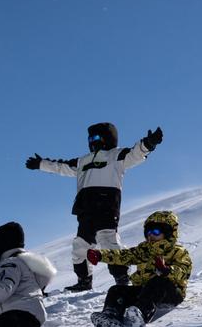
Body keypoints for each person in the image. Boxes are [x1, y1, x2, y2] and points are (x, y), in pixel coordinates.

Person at [26, 122, 163, 292]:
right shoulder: (82, 161)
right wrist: (41, 164)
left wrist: (148, 144)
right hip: (86, 210)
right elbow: (61, 167)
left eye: (96, 137)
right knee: (80, 245)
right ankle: (84, 280)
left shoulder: (116, 155)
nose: (92, 141)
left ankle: (121, 277)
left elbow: (135, 154)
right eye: (90, 138)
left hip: (107, 206)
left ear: (107, 138)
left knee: (108, 241)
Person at [87, 210, 192, 327]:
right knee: (116, 289)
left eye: (156, 231)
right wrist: (100, 255)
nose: (151, 235)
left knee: (158, 281)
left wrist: (166, 269)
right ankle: (111, 316)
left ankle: (142, 313)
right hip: (145, 291)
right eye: (148, 232)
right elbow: (123, 256)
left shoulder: (178, 251)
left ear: (168, 233)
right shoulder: (144, 250)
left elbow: (184, 271)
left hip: (171, 293)